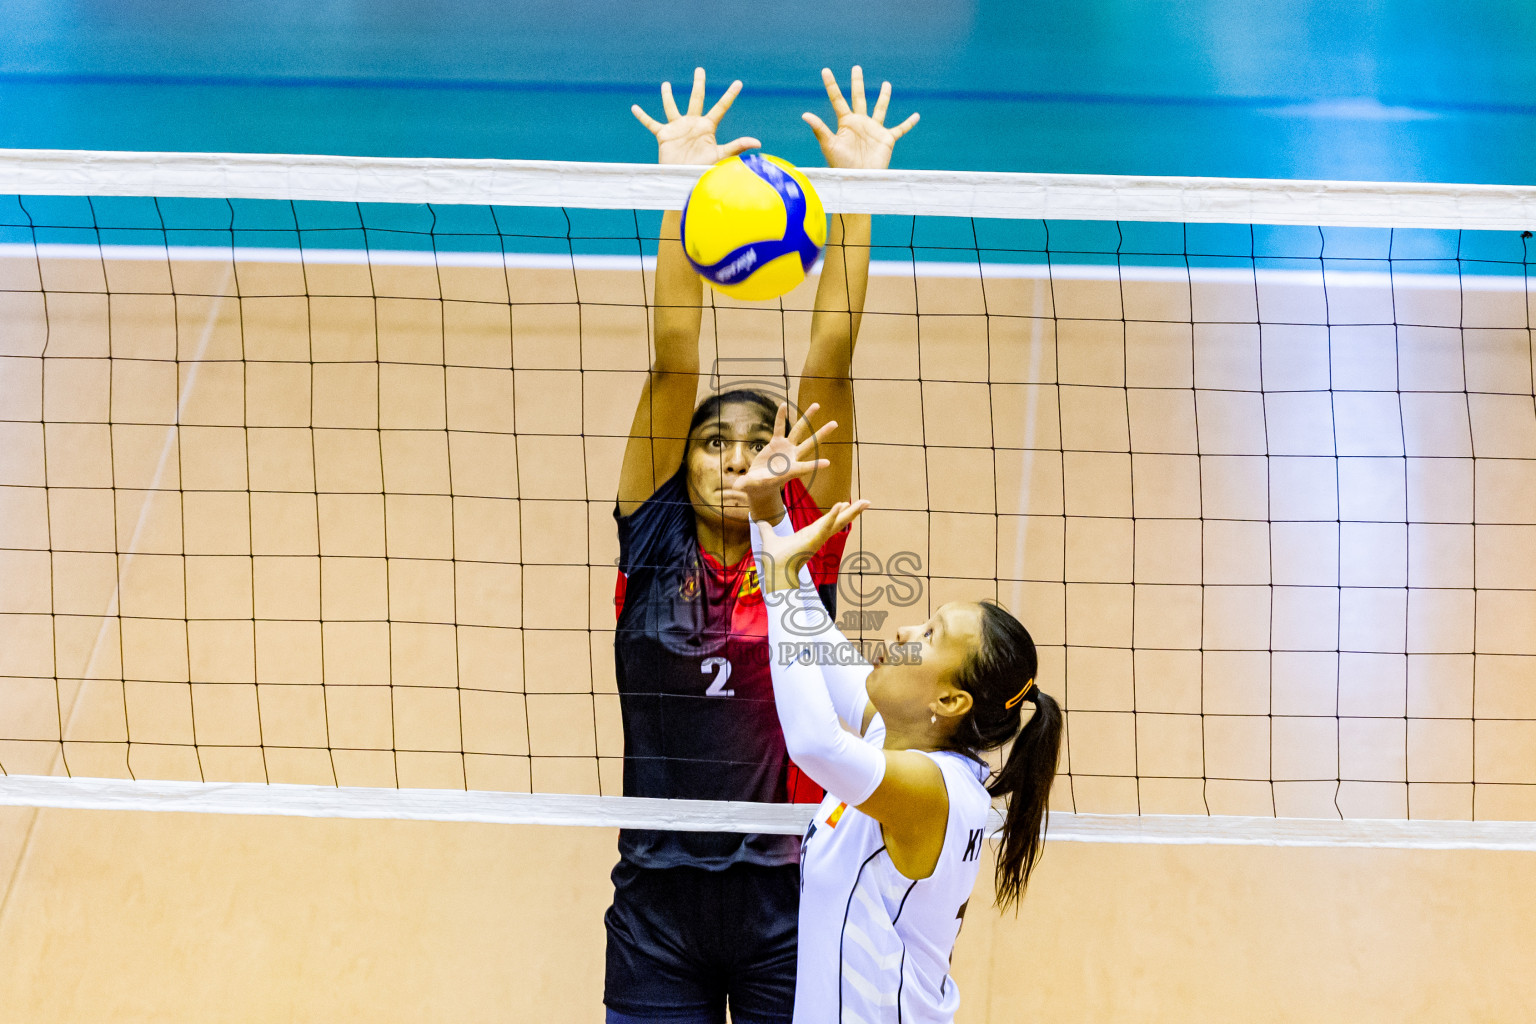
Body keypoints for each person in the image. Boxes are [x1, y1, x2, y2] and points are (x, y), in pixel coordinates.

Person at [604, 67, 919, 1024]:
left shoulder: (800, 550)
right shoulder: (651, 538)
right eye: (712, 441)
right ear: (681, 462)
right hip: (655, 904)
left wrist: (856, 193)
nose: (734, 459)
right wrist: (680, 186)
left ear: (786, 460)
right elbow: (673, 357)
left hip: (792, 895)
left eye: (756, 442)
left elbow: (830, 361)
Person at [739, 405, 1064, 1024]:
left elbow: (814, 745)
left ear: (949, 701)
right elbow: (810, 635)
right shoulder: (904, 739)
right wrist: (766, 511)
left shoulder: (931, 790)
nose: (907, 627)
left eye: (931, 632)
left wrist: (780, 574)